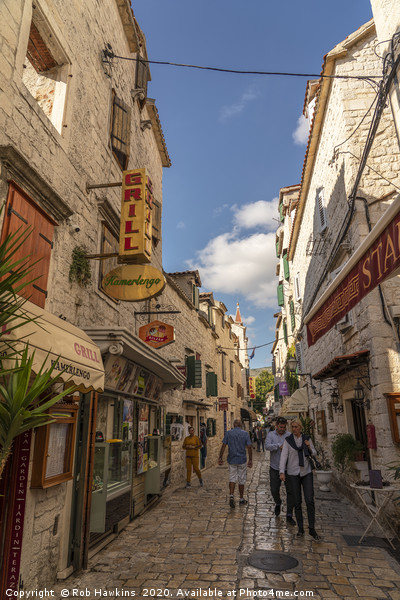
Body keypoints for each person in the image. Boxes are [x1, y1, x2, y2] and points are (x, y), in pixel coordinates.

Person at [279, 419, 321, 540]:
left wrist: (308, 446)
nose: (294, 429)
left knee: (309, 500)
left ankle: (312, 529)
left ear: (300, 428)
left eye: (296, 427)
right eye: (292, 427)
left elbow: (314, 452)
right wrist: (282, 472)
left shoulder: (306, 438)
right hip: (293, 473)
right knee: (297, 501)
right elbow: (284, 456)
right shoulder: (288, 441)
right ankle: (301, 528)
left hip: (306, 472)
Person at [265, 416, 295, 525]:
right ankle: (278, 502)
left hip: (288, 468)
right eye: (281, 427)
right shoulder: (271, 435)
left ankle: (289, 514)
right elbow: (267, 446)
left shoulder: (289, 435)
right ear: (277, 426)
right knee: (274, 490)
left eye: (284, 427)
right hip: (275, 467)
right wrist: (278, 446)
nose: (282, 429)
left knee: (290, 491)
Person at [218, 419, 252, 508]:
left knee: (232, 478)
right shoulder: (245, 434)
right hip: (242, 459)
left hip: (232, 459)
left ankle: (232, 496)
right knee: (241, 479)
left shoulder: (229, 433)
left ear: (234, 425)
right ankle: (241, 498)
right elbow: (249, 447)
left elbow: (223, 445)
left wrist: (220, 457)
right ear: (240, 425)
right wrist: (250, 460)